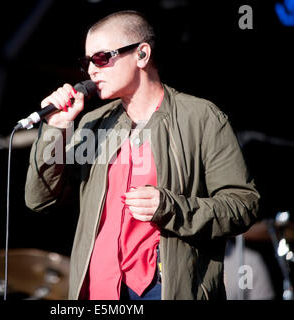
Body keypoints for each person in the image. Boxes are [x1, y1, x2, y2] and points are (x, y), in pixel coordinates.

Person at [24, 10, 260, 300]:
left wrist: (171, 207)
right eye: (87, 62)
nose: (91, 71)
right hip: (100, 290)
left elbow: (243, 205)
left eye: (101, 58)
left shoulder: (201, 118)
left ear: (142, 54)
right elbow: (40, 199)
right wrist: (56, 130)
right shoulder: (92, 124)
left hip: (163, 288)